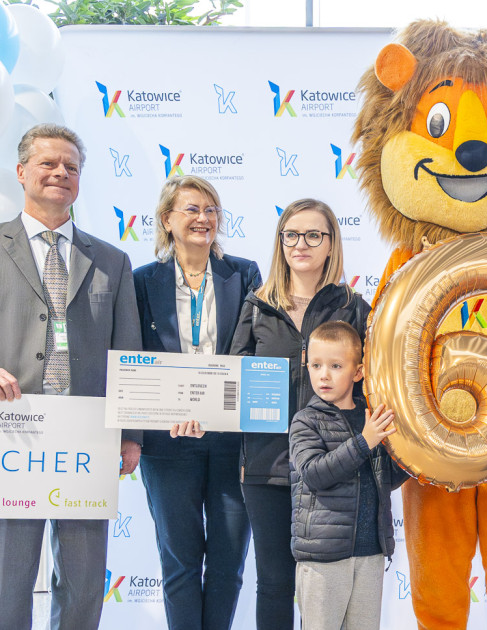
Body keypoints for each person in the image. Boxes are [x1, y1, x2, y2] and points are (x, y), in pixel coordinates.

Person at [0, 123, 142, 630]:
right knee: (7, 585)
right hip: (7, 440)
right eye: (48, 163)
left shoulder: (112, 260)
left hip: (86, 444)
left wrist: (130, 434)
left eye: (72, 167)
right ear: (21, 172)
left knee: (84, 590)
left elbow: (127, 354)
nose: (61, 173)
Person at [229, 198, 370, 628]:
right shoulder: (257, 305)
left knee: (327, 586)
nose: (301, 244)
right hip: (267, 467)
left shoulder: (353, 307)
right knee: (273, 582)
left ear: (331, 244)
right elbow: (231, 382)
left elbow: (369, 387)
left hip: (333, 469)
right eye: (291, 234)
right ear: (280, 242)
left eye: (313, 235)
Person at [132, 175, 261, 630]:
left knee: (229, 561)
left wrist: (213, 411)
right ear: (167, 220)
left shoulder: (244, 274)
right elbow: (138, 360)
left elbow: (251, 349)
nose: (203, 218)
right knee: (180, 560)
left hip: (232, 441)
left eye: (210, 210)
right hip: (167, 444)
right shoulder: (142, 282)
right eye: (191, 209)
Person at [289, 321, 408, 629]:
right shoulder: (305, 421)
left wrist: (415, 459)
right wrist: (365, 441)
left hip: (370, 554)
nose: (323, 374)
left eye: (335, 365)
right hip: (324, 558)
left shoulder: (371, 417)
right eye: (316, 365)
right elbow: (315, 474)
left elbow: (386, 478)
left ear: (358, 372)